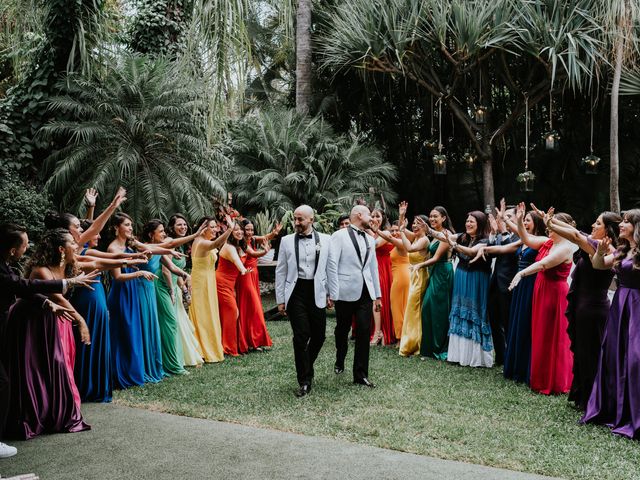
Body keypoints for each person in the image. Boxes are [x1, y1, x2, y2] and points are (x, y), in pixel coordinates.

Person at [0, 223, 96, 456]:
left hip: (43, 319)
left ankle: (45, 414)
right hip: (26, 325)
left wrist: (48, 303)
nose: (27, 247)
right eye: (24, 244)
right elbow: (24, 287)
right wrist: (68, 288)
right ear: (13, 249)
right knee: (9, 378)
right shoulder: (12, 269)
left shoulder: (7, 265)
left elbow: (30, 292)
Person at [546, 210, 620, 410]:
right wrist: (551, 222)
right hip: (583, 305)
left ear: (608, 231)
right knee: (581, 352)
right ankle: (581, 395)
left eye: (598, 224)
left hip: (593, 309)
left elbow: (576, 235)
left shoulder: (604, 248)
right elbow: (576, 231)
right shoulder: (595, 245)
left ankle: (591, 399)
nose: (593, 226)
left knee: (590, 354)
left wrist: (551, 222)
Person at [582, 209, 640, 438]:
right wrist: (601, 251)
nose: (622, 224)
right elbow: (599, 265)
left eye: (626, 221)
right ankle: (614, 409)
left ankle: (634, 413)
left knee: (634, 358)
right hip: (620, 306)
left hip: (636, 305)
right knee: (615, 355)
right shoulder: (622, 250)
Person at [509, 205, 577, 394]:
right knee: (540, 333)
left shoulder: (566, 247)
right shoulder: (548, 242)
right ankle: (538, 376)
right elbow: (526, 239)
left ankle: (555, 381)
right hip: (541, 291)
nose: (548, 229)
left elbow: (544, 263)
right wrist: (520, 221)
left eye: (552, 225)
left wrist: (522, 273)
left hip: (554, 295)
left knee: (552, 337)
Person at [474, 208, 545, 383]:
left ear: (537, 223)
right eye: (524, 220)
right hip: (519, 283)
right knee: (517, 324)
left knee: (523, 323)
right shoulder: (523, 241)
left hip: (529, 282)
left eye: (528, 220)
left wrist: (508, 223)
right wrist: (486, 249)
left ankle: (526, 365)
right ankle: (514, 364)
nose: (525, 223)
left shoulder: (541, 241)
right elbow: (504, 248)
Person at [276, 205, 331, 397]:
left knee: (320, 336)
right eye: (295, 219)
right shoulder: (286, 241)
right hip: (296, 291)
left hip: (317, 290)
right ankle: (305, 380)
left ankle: (305, 363)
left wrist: (330, 292)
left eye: (300, 219)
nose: (296, 223)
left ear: (311, 220)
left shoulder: (326, 240)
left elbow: (329, 268)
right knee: (301, 336)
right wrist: (281, 299)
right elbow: (281, 271)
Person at [327, 205, 381, 388]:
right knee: (343, 329)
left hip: (365, 291)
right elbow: (332, 265)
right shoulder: (339, 236)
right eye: (369, 215)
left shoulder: (370, 239)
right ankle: (340, 357)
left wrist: (378, 295)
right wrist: (332, 293)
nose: (372, 219)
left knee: (364, 330)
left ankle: (360, 374)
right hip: (344, 290)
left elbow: (373, 268)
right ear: (359, 215)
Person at [442, 211, 493, 367]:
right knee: (459, 309)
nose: (468, 224)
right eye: (467, 221)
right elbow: (444, 237)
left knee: (476, 310)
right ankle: (458, 354)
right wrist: (429, 231)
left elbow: (471, 252)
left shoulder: (486, 240)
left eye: (472, 222)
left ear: (481, 224)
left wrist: (454, 245)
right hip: (462, 276)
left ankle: (477, 357)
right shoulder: (463, 237)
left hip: (477, 279)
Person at [189, 215, 234, 363]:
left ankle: (210, 346)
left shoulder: (204, 241)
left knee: (209, 312)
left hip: (208, 280)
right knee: (203, 315)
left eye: (216, 227)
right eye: (212, 227)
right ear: (203, 228)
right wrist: (230, 229)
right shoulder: (201, 243)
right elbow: (215, 245)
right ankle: (202, 349)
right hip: (201, 282)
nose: (215, 229)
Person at [415, 207, 455, 360]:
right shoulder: (433, 235)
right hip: (435, 272)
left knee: (437, 309)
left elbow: (437, 257)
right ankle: (429, 347)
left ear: (444, 218)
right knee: (428, 308)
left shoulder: (446, 235)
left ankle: (439, 346)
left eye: (435, 217)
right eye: (430, 217)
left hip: (443, 272)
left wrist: (419, 265)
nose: (431, 219)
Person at [165, 214, 203, 367]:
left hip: (176, 287)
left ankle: (182, 356)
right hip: (166, 288)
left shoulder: (179, 245)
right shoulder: (169, 242)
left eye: (185, 224)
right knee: (174, 323)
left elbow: (176, 270)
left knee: (181, 322)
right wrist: (172, 290)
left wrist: (184, 289)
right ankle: (174, 358)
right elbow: (166, 270)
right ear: (171, 227)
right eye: (179, 225)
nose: (183, 227)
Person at [238, 219, 278, 351]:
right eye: (247, 230)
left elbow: (266, 237)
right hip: (245, 275)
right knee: (252, 307)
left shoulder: (253, 239)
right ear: (241, 230)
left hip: (254, 274)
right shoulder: (241, 242)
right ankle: (250, 340)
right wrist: (265, 251)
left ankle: (254, 341)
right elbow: (254, 253)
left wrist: (274, 233)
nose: (249, 232)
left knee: (254, 308)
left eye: (251, 229)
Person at [487, 201, 519, 366]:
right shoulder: (499, 235)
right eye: (503, 217)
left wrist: (504, 228)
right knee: (494, 320)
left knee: (507, 322)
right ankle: (500, 357)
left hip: (509, 284)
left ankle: (511, 358)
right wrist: (493, 233)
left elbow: (512, 255)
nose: (503, 219)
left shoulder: (520, 236)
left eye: (508, 216)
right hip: (494, 283)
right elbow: (490, 254)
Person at [217, 224, 251, 356]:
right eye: (235, 230)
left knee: (230, 313)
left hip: (231, 284)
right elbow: (237, 262)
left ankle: (230, 345)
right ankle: (228, 348)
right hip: (221, 282)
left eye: (240, 229)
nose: (239, 232)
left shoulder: (238, 246)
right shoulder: (229, 247)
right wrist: (243, 270)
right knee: (232, 312)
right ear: (230, 232)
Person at [370, 208, 394, 345]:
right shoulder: (371, 232)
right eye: (372, 216)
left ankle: (378, 333)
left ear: (383, 218)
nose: (374, 218)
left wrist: (372, 231)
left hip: (383, 268)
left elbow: (374, 245)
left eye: (377, 216)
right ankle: (375, 330)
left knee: (377, 300)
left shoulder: (385, 232)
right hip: (373, 267)